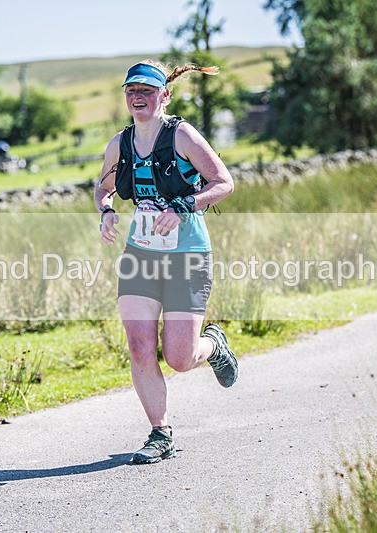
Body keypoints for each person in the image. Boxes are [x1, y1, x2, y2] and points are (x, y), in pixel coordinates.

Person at [94, 61, 238, 464]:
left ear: (164, 95)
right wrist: (105, 212)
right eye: (130, 91)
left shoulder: (183, 135)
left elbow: (223, 183)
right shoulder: (119, 143)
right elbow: (103, 189)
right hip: (140, 255)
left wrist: (183, 204)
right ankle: (160, 433)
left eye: (146, 90)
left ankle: (212, 345)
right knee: (140, 346)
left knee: (179, 358)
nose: (137, 97)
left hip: (187, 254)